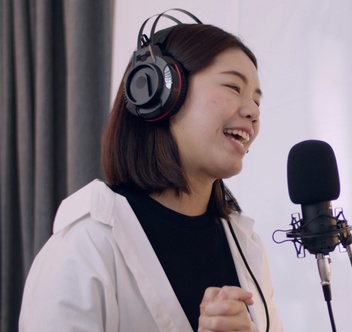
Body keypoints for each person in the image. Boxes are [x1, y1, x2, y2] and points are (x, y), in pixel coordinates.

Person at [19, 9, 283, 332]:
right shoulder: (85, 246)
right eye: (233, 87)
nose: (253, 113)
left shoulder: (247, 248)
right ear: (159, 93)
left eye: (257, 101)